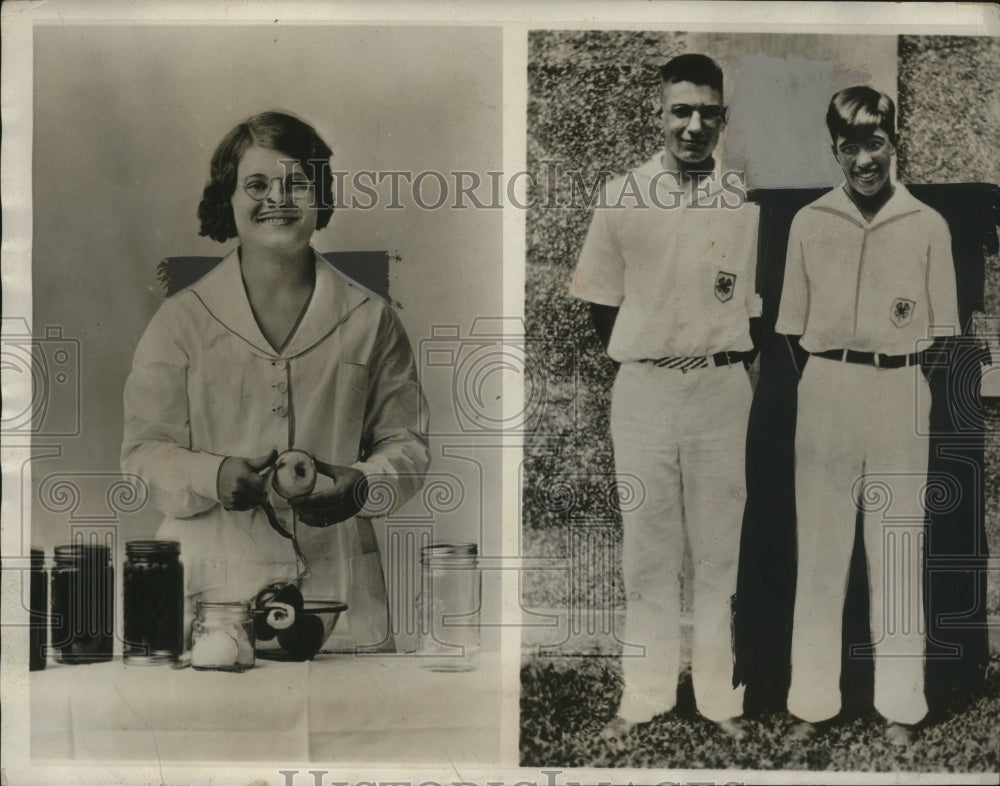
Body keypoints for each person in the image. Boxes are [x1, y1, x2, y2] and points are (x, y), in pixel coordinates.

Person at [121, 111, 430, 652]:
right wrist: (212, 474)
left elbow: (406, 444)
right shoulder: (181, 319)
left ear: (321, 196)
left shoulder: (370, 317)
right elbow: (142, 453)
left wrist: (362, 483)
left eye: (297, 183)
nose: (278, 199)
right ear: (228, 200)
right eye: (257, 184)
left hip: (336, 595)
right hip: (210, 591)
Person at [569, 54, 760, 739]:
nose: (693, 124)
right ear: (659, 113)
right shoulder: (621, 196)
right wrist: (653, 352)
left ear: (723, 119)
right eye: (681, 110)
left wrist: (717, 358)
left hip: (719, 389)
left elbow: (753, 307)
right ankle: (644, 695)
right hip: (646, 389)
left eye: (708, 112)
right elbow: (600, 304)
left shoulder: (741, 200)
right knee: (648, 553)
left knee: (718, 552)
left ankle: (718, 698)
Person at [775, 86, 958, 745]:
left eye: (874, 142)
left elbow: (940, 333)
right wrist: (836, 379)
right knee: (821, 554)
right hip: (826, 385)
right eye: (849, 147)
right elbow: (793, 331)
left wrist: (889, 376)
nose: (863, 160)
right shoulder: (808, 222)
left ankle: (901, 710)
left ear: (894, 141)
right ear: (835, 150)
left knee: (897, 553)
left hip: (901, 388)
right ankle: (813, 704)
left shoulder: (927, 225)